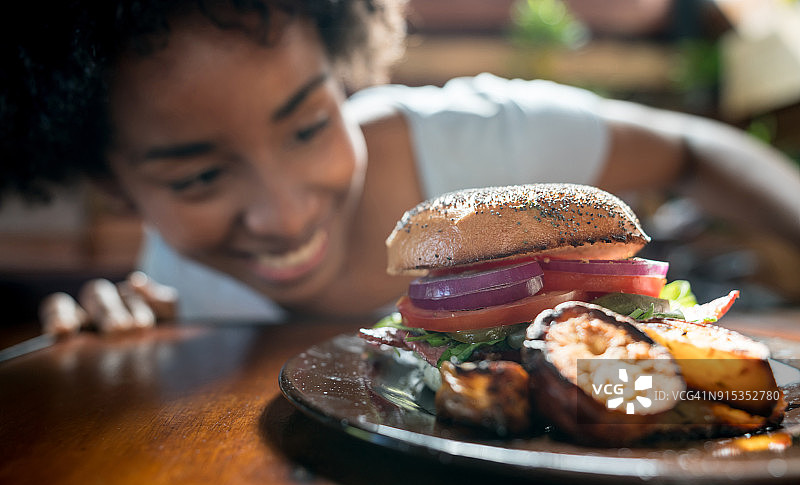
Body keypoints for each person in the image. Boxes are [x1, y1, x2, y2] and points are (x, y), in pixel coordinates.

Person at [2, 0, 799, 335]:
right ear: (113, 184)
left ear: (345, 72)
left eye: (309, 127)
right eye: (198, 178)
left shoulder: (483, 139)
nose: (285, 214)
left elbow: (696, 149)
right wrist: (130, 346)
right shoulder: (172, 282)